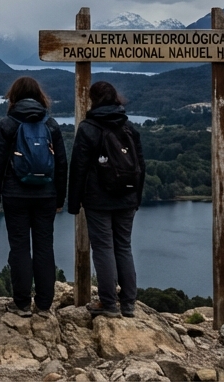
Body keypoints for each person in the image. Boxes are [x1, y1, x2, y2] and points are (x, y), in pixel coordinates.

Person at [0, 76, 67, 317]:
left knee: (19, 248)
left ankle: (21, 303)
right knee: (44, 247)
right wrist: (60, 199)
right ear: (40, 97)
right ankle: (43, 305)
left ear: (14, 97)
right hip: (46, 195)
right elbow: (61, 164)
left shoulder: (8, 124)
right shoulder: (50, 124)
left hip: (15, 194)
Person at [67, 81, 145, 318]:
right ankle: (129, 303)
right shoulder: (129, 127)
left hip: (98, 199)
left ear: (93, 100)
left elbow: (78, 167)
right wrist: (136, 197)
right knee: (123, 246)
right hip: (127, 198)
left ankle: (109, 303)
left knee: (102, 248)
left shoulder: (88, 128)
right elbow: (141, 166)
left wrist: (73, 202)